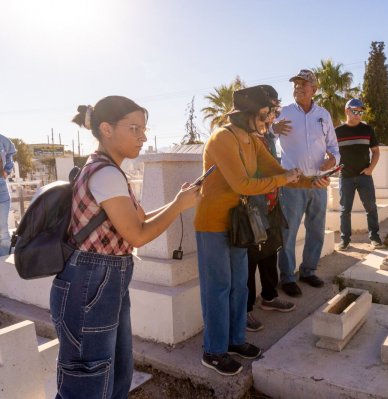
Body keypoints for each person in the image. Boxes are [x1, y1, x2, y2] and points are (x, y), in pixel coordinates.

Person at [49, 96, 201, 399]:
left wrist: (176, 202)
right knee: (89, 380)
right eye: (134, 128)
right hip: (92, 281)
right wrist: (178, 207)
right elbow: (137, 235)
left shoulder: (108, 171)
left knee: (115, 372)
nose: (143, 137)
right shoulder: (106, 174)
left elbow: (139, 221)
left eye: (144, 129)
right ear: (106, 129)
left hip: (101, 279)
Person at [195, 86, 323, 376]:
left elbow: (275, 170)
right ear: (247, 114)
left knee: (240, 285)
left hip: (240, 223)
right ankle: (213, 351)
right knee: (218, 288)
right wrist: (282, 179)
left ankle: (236, 340)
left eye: (271, 113)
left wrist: (310, 182)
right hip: (213, 224)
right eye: (266, 114)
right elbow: (243, 184)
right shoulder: (222, 138)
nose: (269, 120)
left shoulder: (253, 141)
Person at [275, 69, 340, 298]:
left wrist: (332, 159)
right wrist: (273, 129)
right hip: (292, 183)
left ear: (314, 89)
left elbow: (333, 147)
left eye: (304, 84)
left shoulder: (324, 115)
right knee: (288, 232)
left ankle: (309, 271)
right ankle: (287, 277)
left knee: (316, 230)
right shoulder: (282, 113)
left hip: (318, 183)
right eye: (295, 84)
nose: (298, 87)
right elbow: (263, 136)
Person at [245, 85, 295, 333]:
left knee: (270, 251)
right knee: (250, 259)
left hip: (272, 203)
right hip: (253, 208)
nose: (273, 115)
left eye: (274, 109)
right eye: (269, 110)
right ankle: (245, 310)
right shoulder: (246, 136)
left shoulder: (267, 136)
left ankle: (269, 296)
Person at [334, 98, 383, 251]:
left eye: (361, 112)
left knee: (371, 208)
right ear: (347, 111)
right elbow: (331, 152)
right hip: (346, 177)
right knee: (344, 211)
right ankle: (345, 240)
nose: (358, 115)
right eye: (355, 111)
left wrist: (371, 169)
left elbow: (375, 151)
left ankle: (374, 237)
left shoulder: (367, 129)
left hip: (364, 177)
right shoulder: (337, 132)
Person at [0, 134, 16, 256]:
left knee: (3, 231)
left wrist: (7, 170)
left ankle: (3, 261)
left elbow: (11, 151)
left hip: (1, 187)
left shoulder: (2, 140)